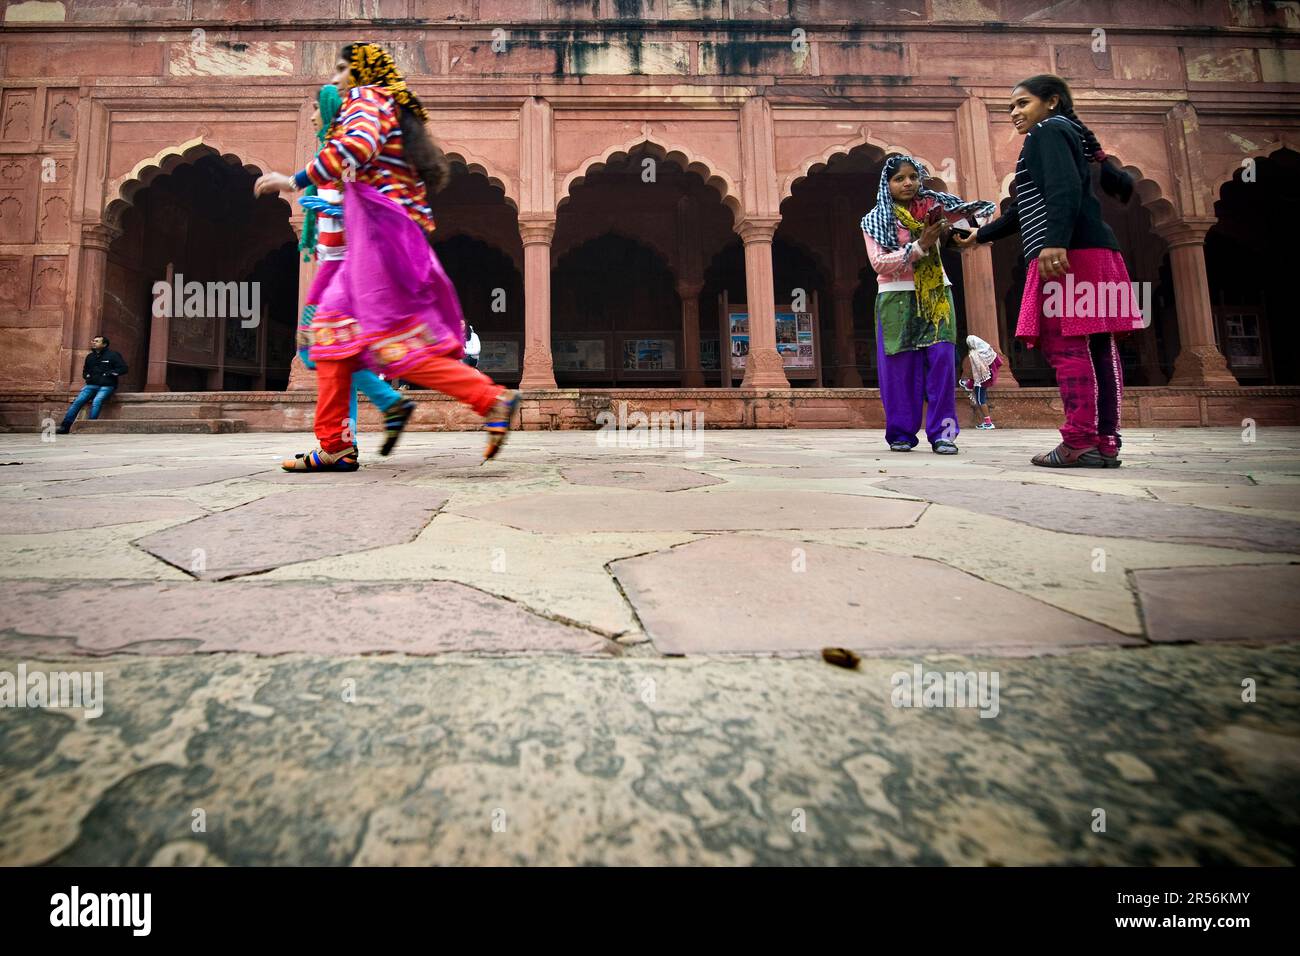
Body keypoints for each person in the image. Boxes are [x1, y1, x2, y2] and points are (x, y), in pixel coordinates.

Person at [254, 42, 518, 472]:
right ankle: (338, 444)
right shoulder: (389, 106)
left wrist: (294, 179)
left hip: (379, 237)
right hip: (383, 237)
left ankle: (489, 399)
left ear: (361, 72)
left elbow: (354, 148)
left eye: (343, 69)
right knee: (336, 340)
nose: (337, 78)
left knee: (381, 345)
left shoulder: (368, 99)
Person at [955, 74, 1135, 468]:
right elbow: (1022, 210)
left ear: (1051, 101)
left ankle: (1078, 441)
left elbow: (1064, 187)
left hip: (1069, 254)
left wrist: (1054, 242)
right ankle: (1104, 442)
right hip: (1097, 252)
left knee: (1067, 347)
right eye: (1011, 108)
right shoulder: (1066, 132)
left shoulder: (1047, 132)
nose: (1015, 114)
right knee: (1099, 348)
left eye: (1022, 104)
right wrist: (980, 234)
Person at [294, 82, 414, 459]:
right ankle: (346, 441)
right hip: (338, 268)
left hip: (348, 273)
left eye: (316, 109)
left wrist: (337, 211)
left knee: (318, 353)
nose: (311, 115)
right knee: (335, 356)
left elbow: (376, 209)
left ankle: (387, 401)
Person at [861, 154, 995, 455]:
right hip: (895, 297)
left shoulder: (933, 210)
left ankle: (943, 434)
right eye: (899, 179)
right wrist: (920, 246)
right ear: (888, 185)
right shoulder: (874, 220)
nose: (908, 183)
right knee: (899, 371)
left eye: (913, 177)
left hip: (936, 294)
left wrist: (953, 231)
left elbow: (983, 214)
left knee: (942, 364)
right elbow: (879, 263)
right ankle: (901, 433)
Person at [56, 335, 127, 434]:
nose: (93, 342)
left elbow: (123, 369)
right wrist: (87, 376)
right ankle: (65, 426)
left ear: (104, 344)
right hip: (91, 385)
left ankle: (89, 426)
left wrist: (110, 373)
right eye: (93, 341)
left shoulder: (113, 355)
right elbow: (85, 370)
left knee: (97, 401)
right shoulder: (90, 357)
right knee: (78, 401)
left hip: (107, 385)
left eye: (97, 341)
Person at [959, 334, 1002, 429]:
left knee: (980, 400)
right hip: (987, 377)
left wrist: (970, 382)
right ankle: (987, 422)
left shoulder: (975, 354)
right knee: (981, 399)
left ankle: (988, 423)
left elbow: (976, 371)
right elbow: (999, 362)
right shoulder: (987, 350)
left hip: (981, 380)